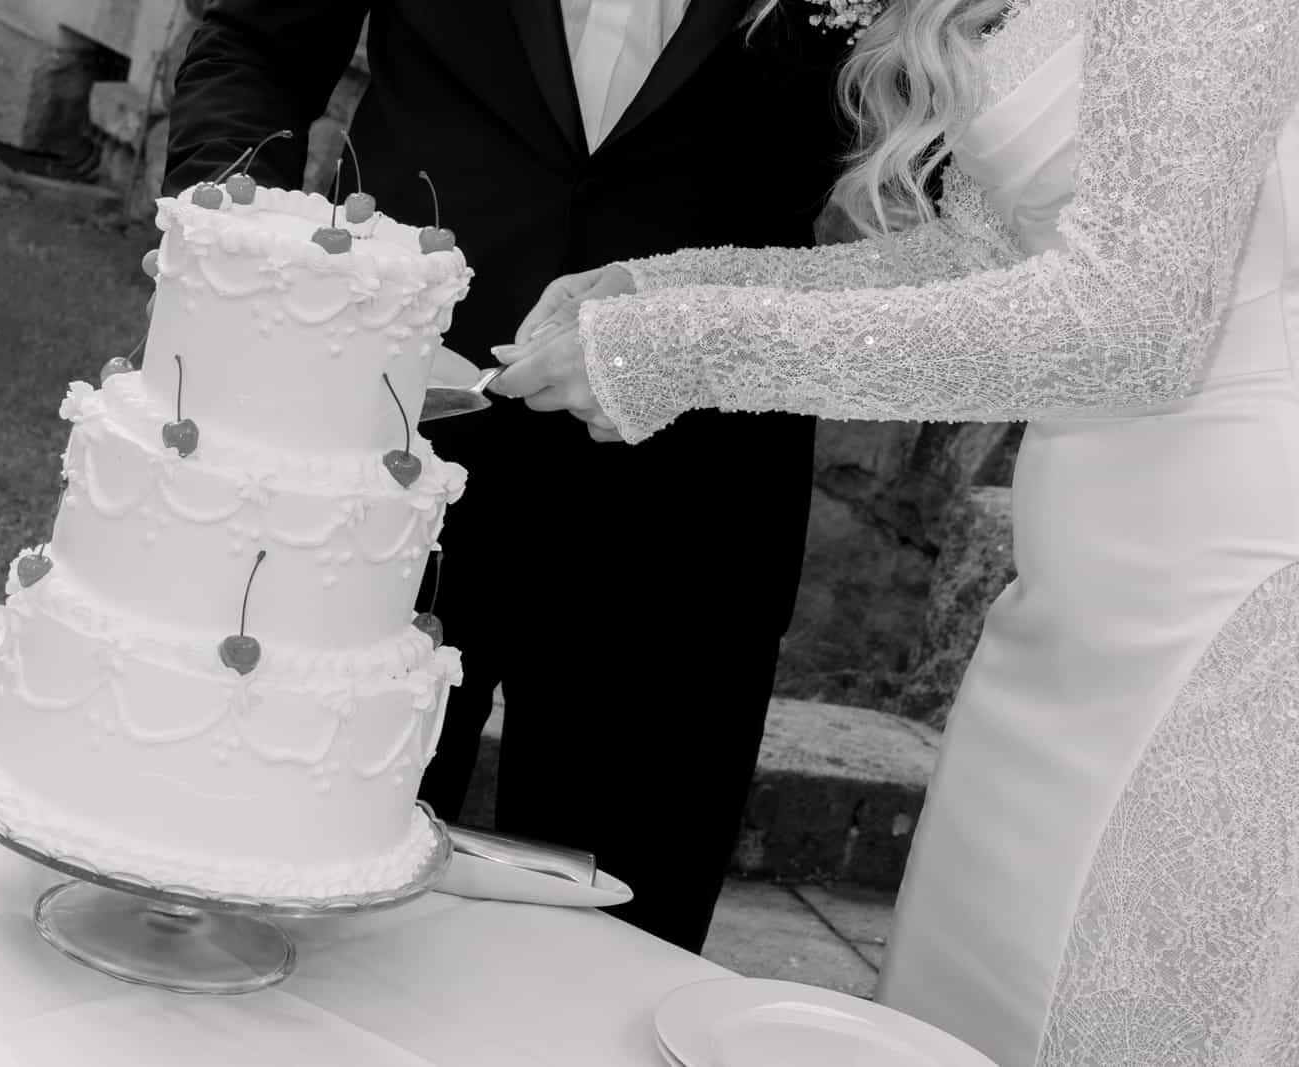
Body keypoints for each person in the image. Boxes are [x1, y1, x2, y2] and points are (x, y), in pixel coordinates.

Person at [494, 0, 1299, 1062]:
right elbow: (986, 254)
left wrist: (690, 349)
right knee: (980, 975)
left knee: (1110, 985)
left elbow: (1133, 329)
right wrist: (669, 282)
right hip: (1079, 576)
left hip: (1220, 573)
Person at [162, 2, 852, 952]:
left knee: (612, 951)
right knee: (283, 901)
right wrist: (236, 250)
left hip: (694, 497)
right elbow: (254, 41)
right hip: (383, 439)